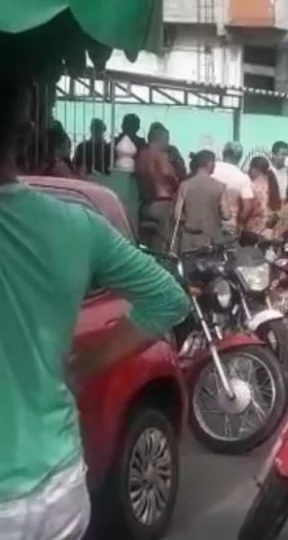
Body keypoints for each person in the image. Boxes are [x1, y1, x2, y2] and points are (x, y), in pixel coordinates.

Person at [0, 79, 189, 539]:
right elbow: (168, 298)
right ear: (27, 134)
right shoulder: (76, 224)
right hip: (60, 487)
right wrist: (84, 365)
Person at [172, 150, 231, 253]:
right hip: (212, 240)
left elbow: (177, 215)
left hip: (189, 241)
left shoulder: (184, 186)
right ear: (210, 164)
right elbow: (226, 215)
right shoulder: (220, 186)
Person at [135, 123, 179, 251]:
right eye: (167, 140)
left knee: (146, 246)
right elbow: (167, 172)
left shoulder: (140, 155)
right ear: (162, 139)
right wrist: (176, 182)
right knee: (165, 245)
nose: (167, 145)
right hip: (162, 204)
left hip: (145, 205)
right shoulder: (160, 155)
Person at [212, 141, 258, 239]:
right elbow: (247, 207)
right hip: (230, 225)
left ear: (223, 153)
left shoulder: (211, 169)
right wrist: (239, 223)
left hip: (208, 222)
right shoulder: (242, 177)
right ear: (240, 157)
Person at [248, 156, 283, 237]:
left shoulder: (252, 186)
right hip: (270, 227)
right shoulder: (272, 183)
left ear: (254, 170)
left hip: (254, 228)